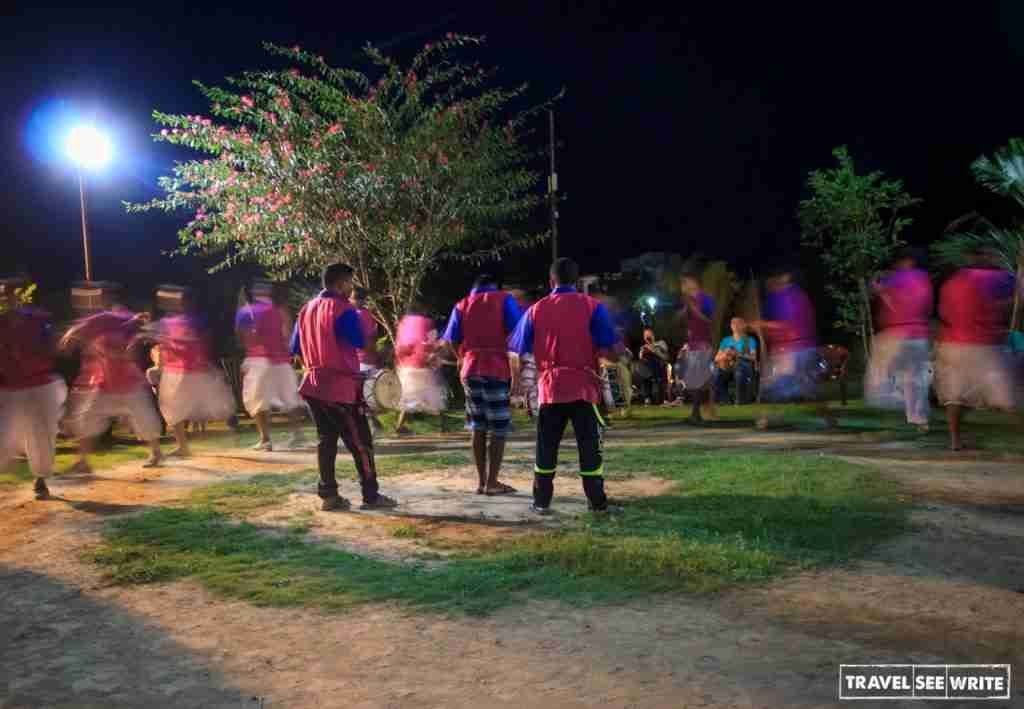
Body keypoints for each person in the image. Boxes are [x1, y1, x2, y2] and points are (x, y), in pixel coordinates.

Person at [509, 257, 617, 515]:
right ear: (577, 282)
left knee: (546, 446)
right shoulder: (592, 306)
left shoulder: (536, 310)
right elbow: (608, 349)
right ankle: (597, 502)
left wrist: (516, 383)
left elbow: (514, 350)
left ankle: (541, 501)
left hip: (550, 388)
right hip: (583, 387)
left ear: (551, 281)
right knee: (589, 446)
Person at [291, 263, 397, 511]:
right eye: (350, 283)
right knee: (361, 442)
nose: (352, 288)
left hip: (313, 385)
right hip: (340, 388)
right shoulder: (343, 308)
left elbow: (295, 348)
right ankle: (371, 496)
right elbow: (359, 341)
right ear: (340, 284)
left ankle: (329, 495)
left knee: (325, 440)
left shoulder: (305, 310)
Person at [62, 286, 163, 473]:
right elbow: (81, 328)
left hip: (128, 382)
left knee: (144, 418)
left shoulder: (120, 318)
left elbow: (138, 327)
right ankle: (83, 461)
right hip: (106, 382)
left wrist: (141, 327)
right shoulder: (101, 320)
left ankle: (156, 452)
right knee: (87, 418)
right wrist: (70, 336)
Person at [441, 273, 523, 495]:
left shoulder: (462, 304)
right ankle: (493, 482)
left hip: (470, 369)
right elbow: (518, 332)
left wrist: (461, 357)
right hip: (496, 369)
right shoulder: (504, 299)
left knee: (477, 426)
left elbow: (450, 339)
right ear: (494, 287)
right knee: (498, 428)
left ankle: (481, 481)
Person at [934, 248, 1018, 451]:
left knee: (955, 396)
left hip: (953, 345)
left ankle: (955, 441)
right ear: (988, 258)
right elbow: (1013, 303)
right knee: (1006, 398)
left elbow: (944, 313)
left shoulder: (953, 281)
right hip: (985, 346)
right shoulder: (1002, 277)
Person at [0, 278, 67, 500]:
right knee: (4, 434)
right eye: (4, 294)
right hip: (11, 387)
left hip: (40, 385)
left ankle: (40, 478)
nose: (8, 298)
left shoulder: (38, 319)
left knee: (41, 434)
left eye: (11, 294)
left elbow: (53, 346)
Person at [752, 266, 836, 429]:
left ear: (783, 278)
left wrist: (761, 324)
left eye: (772, 280)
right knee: (806, 388)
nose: (769, 284)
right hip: (799, 347)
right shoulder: (792, 295)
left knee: (778, 386)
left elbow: (787, 326)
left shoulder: (787, 296)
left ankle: (768, 418)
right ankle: (828, 418)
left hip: (794, 349)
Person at [154, 288, 235, 458]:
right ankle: (182, 446)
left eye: (183, 301)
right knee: (171, 408)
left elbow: (203, 340)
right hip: (175, 371)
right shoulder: (167, 323)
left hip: (194, 370)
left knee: (213, 404)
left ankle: (229, 424)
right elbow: (162, 344)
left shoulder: (197, 320)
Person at [865, 249, 934, 431]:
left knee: (881, 370)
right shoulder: (923, 278)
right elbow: (926, 306)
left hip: (897, 334)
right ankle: (919, 419)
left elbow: (876, 290)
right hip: (919, 335)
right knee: (914, 379)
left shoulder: (897, 278)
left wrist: (875, 284)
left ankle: (893, 398)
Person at [236, 281, 305, 451]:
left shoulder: (247, 311)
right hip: (282, 361)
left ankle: (265, 440)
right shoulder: (281, 311)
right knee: (290, 399)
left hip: (260, 361)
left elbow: (242, 337)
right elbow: (288, 335)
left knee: (258, 400)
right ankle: (297, 434)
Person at [394, 309, 447, 434]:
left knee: (408, 400)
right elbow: (430, 345)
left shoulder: (405, 323)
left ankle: (399, 426)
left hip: (407, 369)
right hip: (423, 369)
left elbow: (400, 349)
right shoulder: (428, 323)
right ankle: (443, 427)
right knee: (435, 398)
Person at [679, 273, 717, 422]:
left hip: (703, 343)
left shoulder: (705, 299)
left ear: (694, 282)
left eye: (685, 282)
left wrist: (692, 307)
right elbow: (684, 319)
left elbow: (708, 319)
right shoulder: (689, 301)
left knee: (697, 379)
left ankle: (697, 413)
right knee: (695, 380)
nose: (683, 286)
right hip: (693, 343)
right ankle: (700, 411)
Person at [349, 287, 385, 432]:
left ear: (355, 299)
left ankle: (373, 424)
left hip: (361, 360)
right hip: (365, 359)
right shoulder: (367, 314)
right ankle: (373, 423)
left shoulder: (359, 315)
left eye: (350, 298)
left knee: (361, 395)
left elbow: (368, 339)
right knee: (364, 395)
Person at [712, 317, 758, 405]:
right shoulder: (726, 340)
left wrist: (737, 354)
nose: (735, 326)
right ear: (731, 326)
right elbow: (716, 358)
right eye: (733, 324)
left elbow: (753, 357)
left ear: (744, 326)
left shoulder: (749, 340)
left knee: (739, 371)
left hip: (744, 367)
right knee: (717, 372)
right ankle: (725, 399)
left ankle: (741, 399)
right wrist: (725, 354)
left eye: (738, 323)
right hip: (728, 367)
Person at [638, 327, 669, 404]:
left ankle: (660, 397)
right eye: (645, 335)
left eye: (648, 335)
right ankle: (647, 397)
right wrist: (641, 353)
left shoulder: (661, 343)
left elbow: (665, 357)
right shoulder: (643, 347)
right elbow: (641, 359)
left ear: (653, 335)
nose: (647, 337)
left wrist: (653, 350)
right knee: (642, 368)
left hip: (660, 368)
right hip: (648, 371)